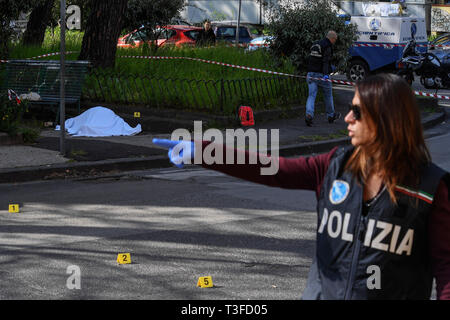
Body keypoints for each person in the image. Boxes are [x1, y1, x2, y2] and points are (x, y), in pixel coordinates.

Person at [153, 73, 450, 300]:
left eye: (357, 111)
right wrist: (204, 151)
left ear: (387, 119)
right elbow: (275, 170)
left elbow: (446, 273)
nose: (347, 117)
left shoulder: (430, 189)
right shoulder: (336, 165)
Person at [305, 30, 341, 127]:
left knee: (311, 96)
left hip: (311, 74)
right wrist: (326, 74)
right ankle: (330, 115)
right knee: (328, 95)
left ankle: (309, 115)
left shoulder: (316, 44)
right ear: (332, 38)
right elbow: (325, 61)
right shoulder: (327, 46)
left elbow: (310, 59)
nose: (335, 41)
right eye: (335, 40)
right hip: (321, 75)